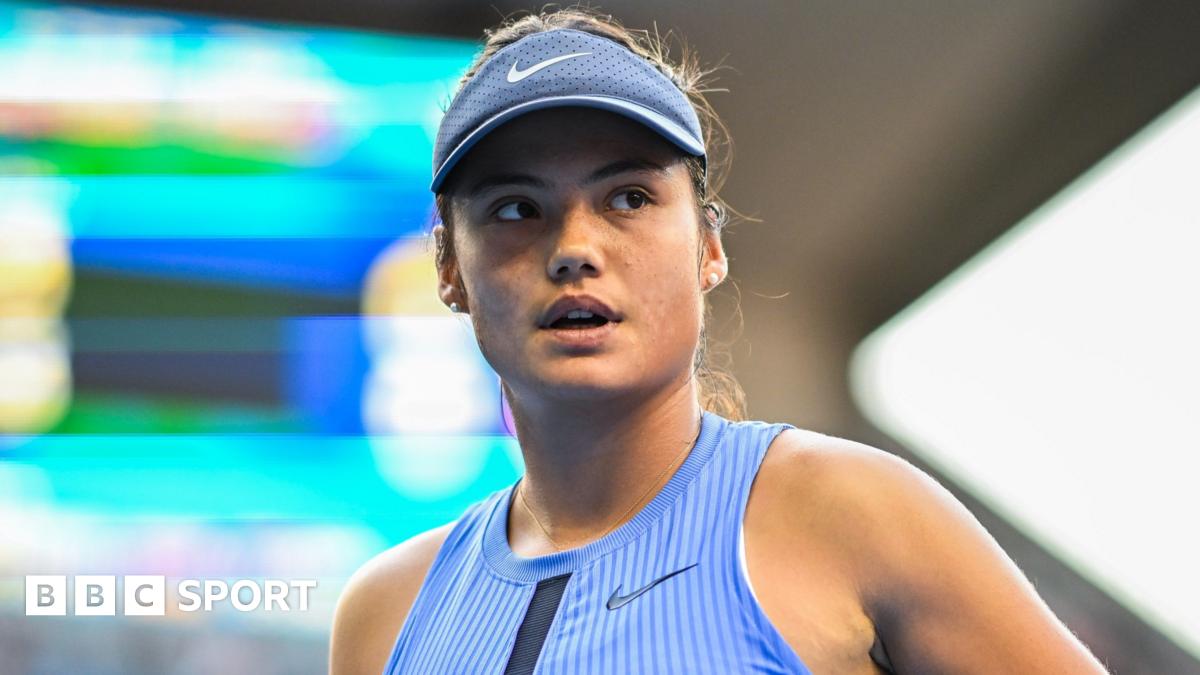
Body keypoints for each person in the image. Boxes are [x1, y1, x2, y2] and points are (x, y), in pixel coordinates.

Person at [330, 8, 1109, 674]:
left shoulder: (855, 513)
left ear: (708, 245)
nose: (573, 247)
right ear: (448, 268)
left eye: (627, 197)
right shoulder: (383, 613)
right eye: (513, 209)